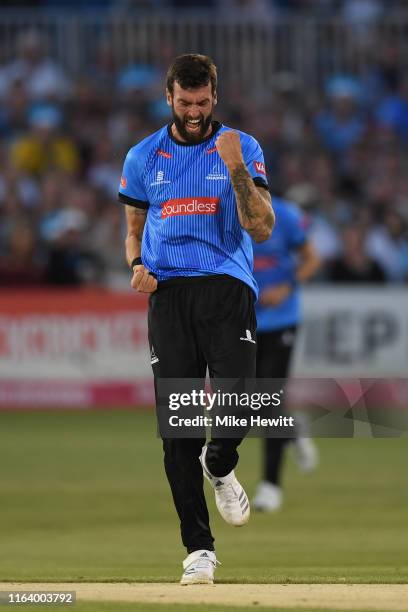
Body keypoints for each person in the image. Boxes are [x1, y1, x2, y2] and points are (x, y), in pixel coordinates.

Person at [118, 54, 274, 584]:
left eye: (202, 103)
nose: (193, 112)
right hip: (169, 297)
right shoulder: (143, 156)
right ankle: (198, 550)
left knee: (239, 403)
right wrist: (136, 265)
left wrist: (233, 167)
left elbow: (262, 229)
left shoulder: (241, 146)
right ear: (169, 97)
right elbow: (133, 228)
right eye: (184, 103)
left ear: (215, 97)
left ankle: (222, 463)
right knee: (177, 431)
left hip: (227, 289)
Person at [251, 196, 320, 512]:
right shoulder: (221, 212)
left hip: (281, 321)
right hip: (241, 319)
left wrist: (287, 287)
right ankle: (293, 430)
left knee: (268, 398)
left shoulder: (286, 216)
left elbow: (311, 259)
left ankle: (270, 486)